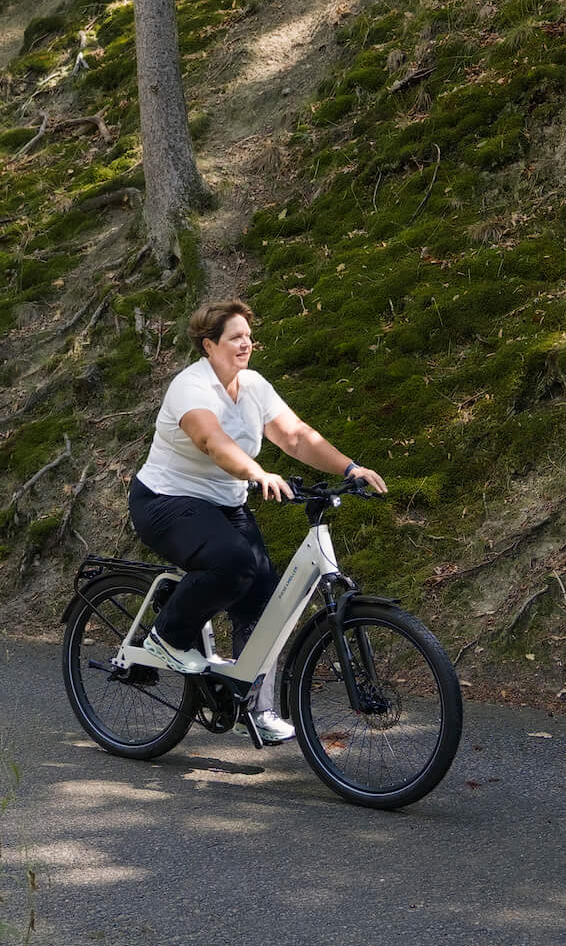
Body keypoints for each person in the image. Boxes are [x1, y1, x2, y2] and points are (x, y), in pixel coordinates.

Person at [129, 299, 387, 744]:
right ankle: (167, 636)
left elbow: (294, 435)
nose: (246, 343)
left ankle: (256, 706)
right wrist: (257, 473)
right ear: (209, 346)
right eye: (235, 337)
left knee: (264, 598)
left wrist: (349, 469)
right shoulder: (190, 387)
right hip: (166, 501)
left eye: (248, 336)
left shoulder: (253, 386)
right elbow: (211, 441)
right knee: (232, 564)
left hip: (224, 503)